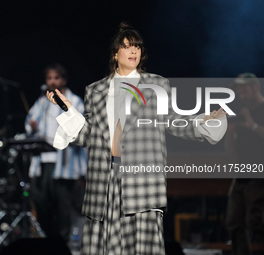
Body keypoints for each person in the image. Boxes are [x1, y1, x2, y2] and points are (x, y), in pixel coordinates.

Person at [47, 23, 227, 255]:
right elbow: (88, 136)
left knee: (143, 249)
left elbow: (172, 120)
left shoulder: (156, 85)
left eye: (137, 47)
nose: (134, 51)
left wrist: (201, 123)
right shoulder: (96, 90)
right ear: (115, 54)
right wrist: (70, 110)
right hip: (104, 180)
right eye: (127, 46)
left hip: (142, 180)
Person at [25, 63, 87, 242]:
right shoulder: (43, 101)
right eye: (49, 78)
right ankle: (50, 239)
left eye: (56, 78)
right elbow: (30, 120)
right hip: (43, 160)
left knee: (63, 205)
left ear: (63, 80)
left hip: (64, 163)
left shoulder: (73, 101)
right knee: (40, 200)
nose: (52, 82)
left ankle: (63, 243)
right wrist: (32, 126)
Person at [225, 73, 264, 255]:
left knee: (255, 221)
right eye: (239, 93)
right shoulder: (241, 113)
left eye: (245, 91)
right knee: (234, 221)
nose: (242, 96)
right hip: (242, 174)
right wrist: (228, 133)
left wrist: (253, 126)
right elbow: (231, 150)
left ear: (255, 88)